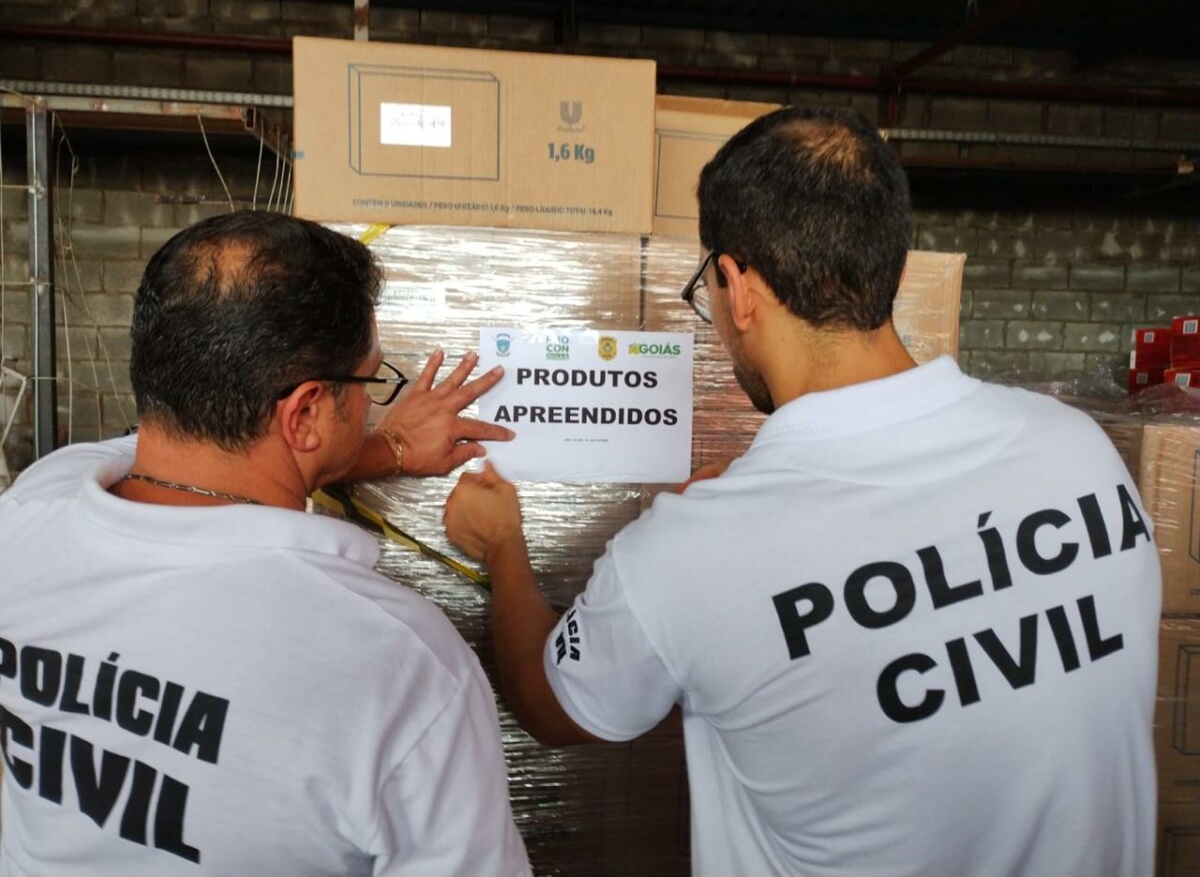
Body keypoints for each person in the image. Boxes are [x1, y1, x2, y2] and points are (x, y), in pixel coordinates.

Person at [443, 107, 1161, 877]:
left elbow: (549, 702)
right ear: (890, 264)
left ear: (738, 286)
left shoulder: (693, 555)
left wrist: (503, 545)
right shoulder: (1076, 448)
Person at [0, 211, 531, 876]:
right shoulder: (398, 665)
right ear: (303, 413)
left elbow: (200, 464)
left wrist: (387, 447)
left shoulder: (29, 512)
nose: (374, 405)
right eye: (371, 381)